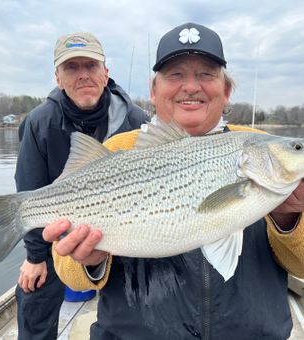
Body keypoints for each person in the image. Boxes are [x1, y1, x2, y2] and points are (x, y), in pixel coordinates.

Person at [42, 23, 304, 340]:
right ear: (154, 91)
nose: (191, 86)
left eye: (206, 74)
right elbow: (69, 271)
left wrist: (289, 219)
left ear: (227, 90)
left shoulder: (266, 153)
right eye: (175, 74)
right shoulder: (117, 151)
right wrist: (89, 261)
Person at [15, 31, 148, 340]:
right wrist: (35, 258)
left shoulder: (136, 118)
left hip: (123, 225)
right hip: (54, 228)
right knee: (32, 293)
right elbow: (29, 191)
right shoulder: (39, 122)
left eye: (91, 65)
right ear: (58, 78)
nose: (83, 75)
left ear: (106, 73)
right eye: (72, 68)